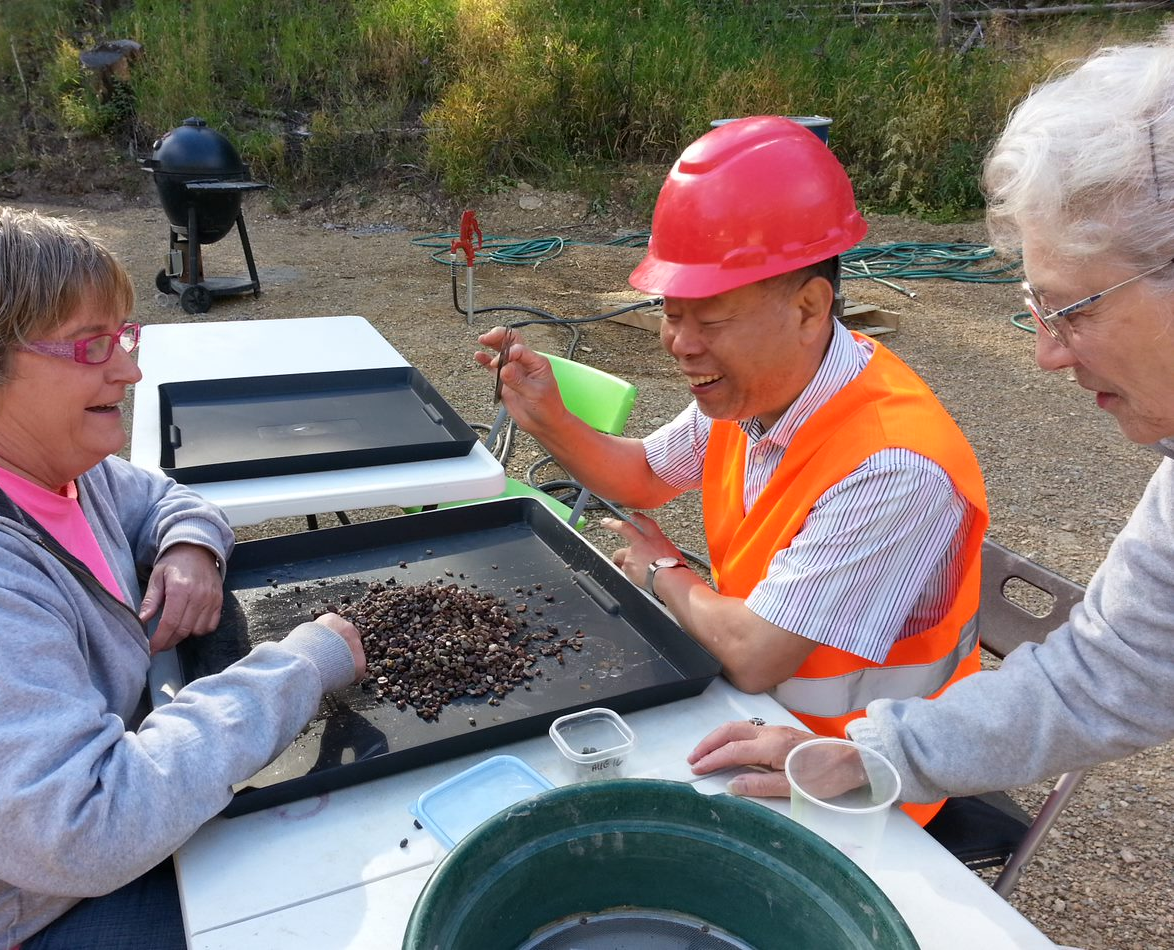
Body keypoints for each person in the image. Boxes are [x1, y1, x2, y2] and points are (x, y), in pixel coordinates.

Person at [688, 29, 1174, 820]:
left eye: (1070, 310)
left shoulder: (891, 456)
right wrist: (877, 753)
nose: (1046, 354)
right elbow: (1112, 669)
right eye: (1034, 311)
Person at [478, 117, 989, 822]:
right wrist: (549, 419)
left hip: (853, 782)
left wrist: (665, 574)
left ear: (810, 307)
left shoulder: (893, 466)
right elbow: (641, 478)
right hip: (749, 718)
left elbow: (754, 654)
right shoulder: (754, 392)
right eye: (670, 312)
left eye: (709, 320)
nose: (679, 345)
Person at [0, 203, 367, 949]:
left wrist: (189, 547)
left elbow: (158, 495)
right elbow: (87, 826)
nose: (129, 367)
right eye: (91, 346)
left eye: (123, 335)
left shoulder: (46, 466)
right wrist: (300, 666)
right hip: (18, 914)